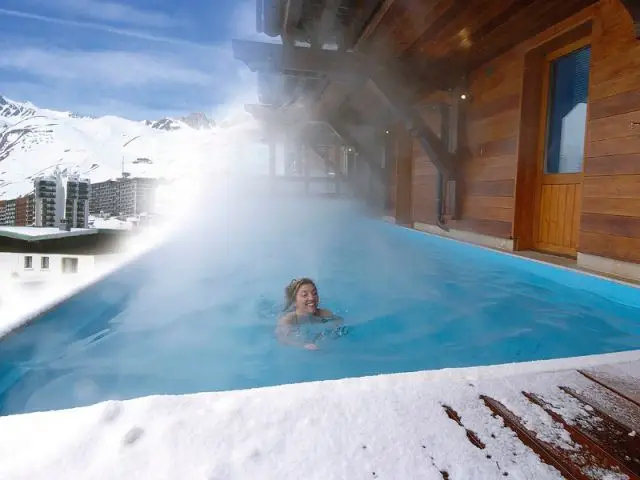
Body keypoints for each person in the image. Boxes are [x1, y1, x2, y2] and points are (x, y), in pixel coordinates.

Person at [276, 278, 342, 350]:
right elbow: (283, 339)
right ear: (294, 300)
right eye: (305, 295)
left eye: (314, 293)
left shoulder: (324, 313)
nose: (312, 298)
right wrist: (303, 345)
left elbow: (339, 321)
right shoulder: (288, 320)